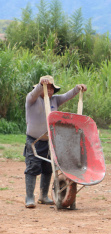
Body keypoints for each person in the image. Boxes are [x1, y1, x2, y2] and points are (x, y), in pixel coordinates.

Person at [24, 75, 87, 208]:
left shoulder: (55, 100)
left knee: (48, 168)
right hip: (34, 140)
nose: (50, 90)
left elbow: (67, 96)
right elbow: (34, 93)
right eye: (48, 87)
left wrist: (77, 88)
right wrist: (42, 85)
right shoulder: (32, 99)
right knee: (33, 167)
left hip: (50, 140)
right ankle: (29, 197)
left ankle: (43, 195)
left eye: (52, 88)